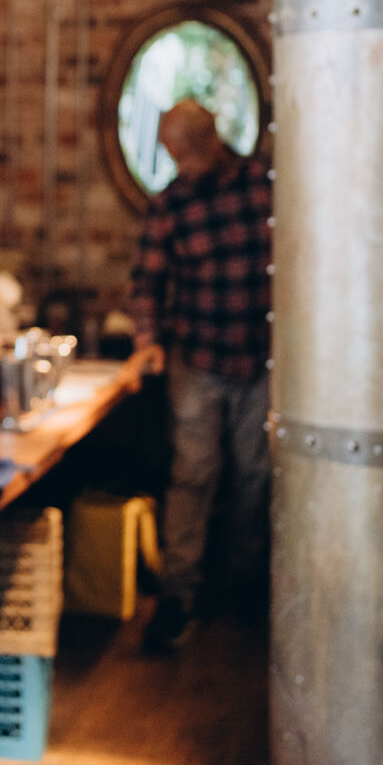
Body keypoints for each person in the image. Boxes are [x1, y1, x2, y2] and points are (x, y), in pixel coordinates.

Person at [128, 98, 274, 654]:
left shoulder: (265, 184)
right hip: (197, 361)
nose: (178, 165)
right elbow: (147, 282)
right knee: (192, 477)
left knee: (256, 477)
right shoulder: (171, 204)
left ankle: (247, 585)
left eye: (185, 153)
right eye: (172, 154)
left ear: (212, 140)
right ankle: (179, 596)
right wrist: (148, 342)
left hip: (261, 358)